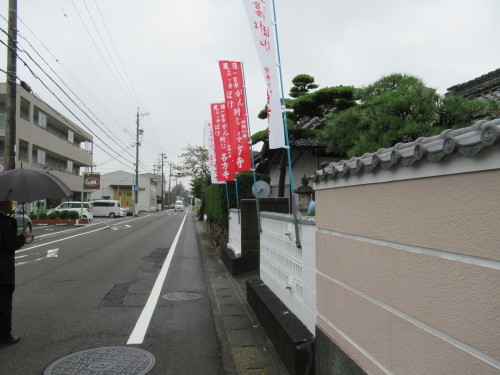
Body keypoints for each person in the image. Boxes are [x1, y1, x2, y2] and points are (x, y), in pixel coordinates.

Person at [0, 200, 29, 348]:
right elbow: (11, 244)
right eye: (9, 202)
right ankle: (4, 336)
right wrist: (23, 236)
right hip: (3, 270)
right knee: (4, 302)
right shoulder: (8, 221)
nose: (11, 204)